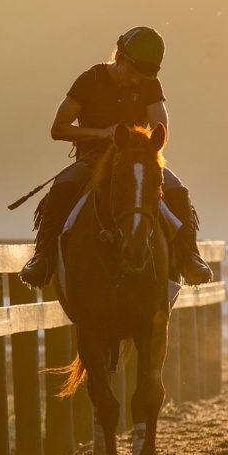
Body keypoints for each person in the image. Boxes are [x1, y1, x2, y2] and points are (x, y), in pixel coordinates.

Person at [19, 26, 213, 288]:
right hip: (92, 161)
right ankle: (42, 259)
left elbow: (160, 131)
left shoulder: (150, 84)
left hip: (136, 160)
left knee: (178, 190)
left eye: (141, 77)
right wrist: (102, 134)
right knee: (62, 189)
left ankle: (191, 257)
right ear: (120, 56)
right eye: (133, 73)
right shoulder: (91, 79)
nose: (136, 80)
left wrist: (134, 139)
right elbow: (59, 128)